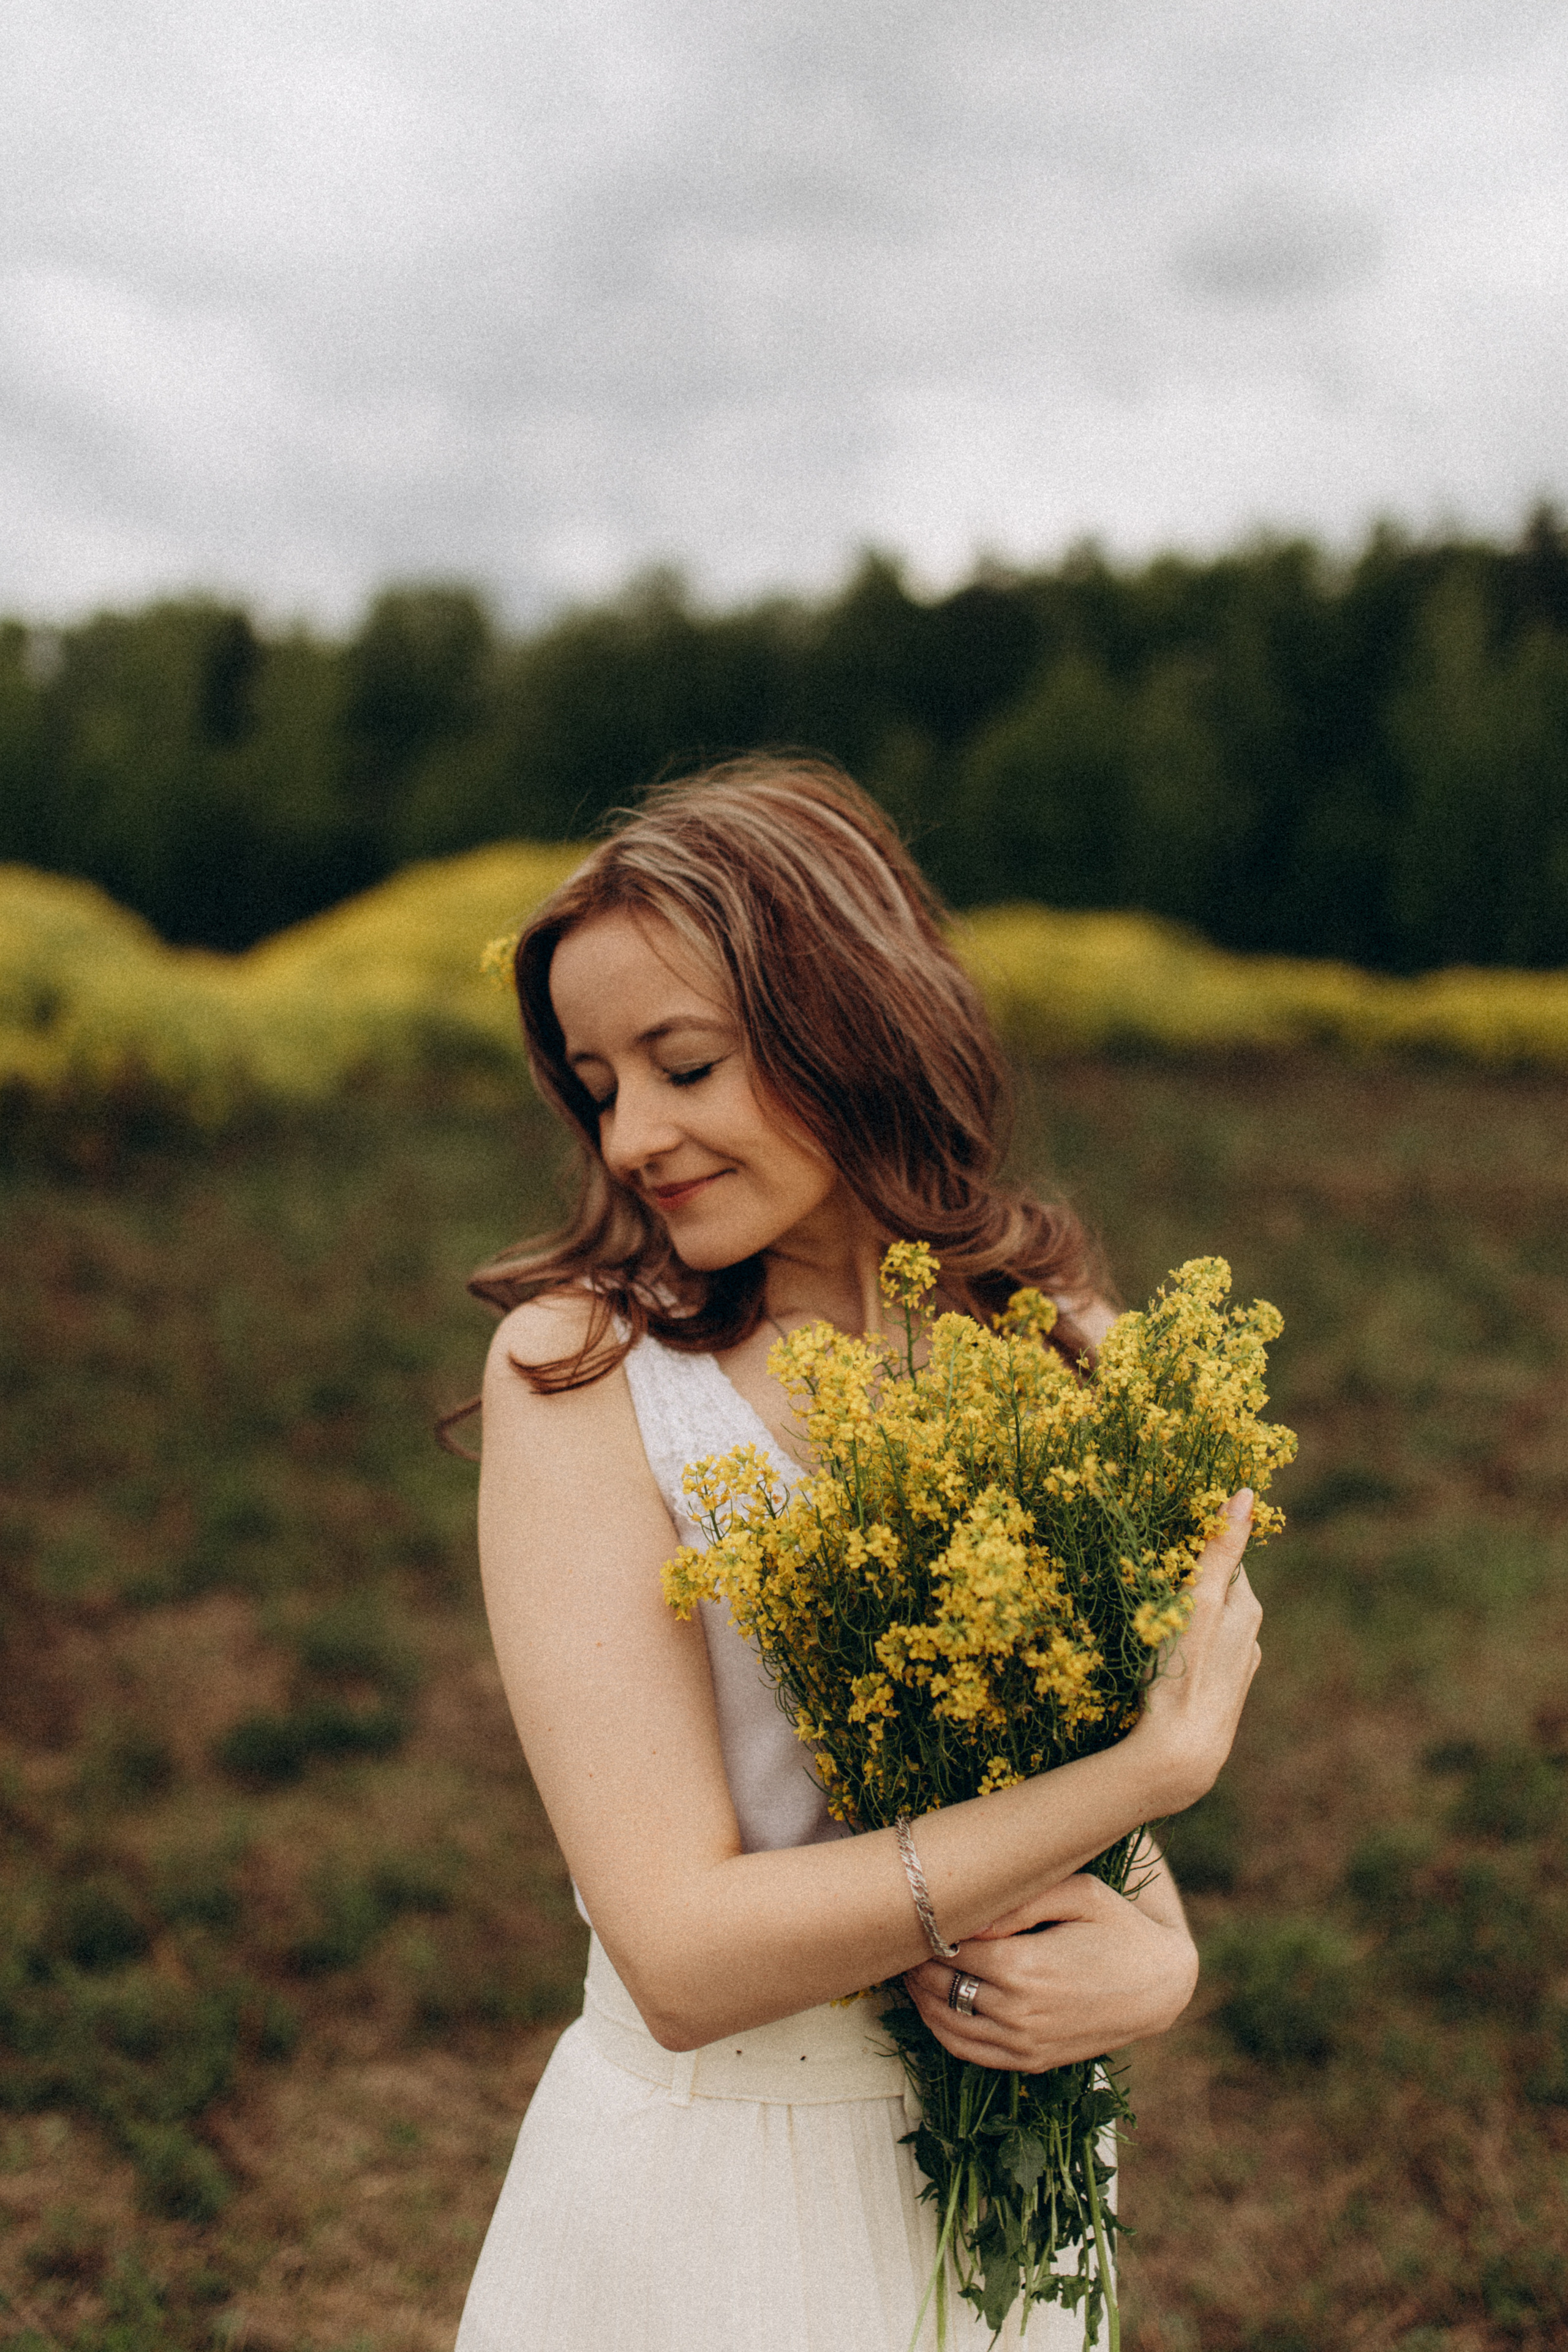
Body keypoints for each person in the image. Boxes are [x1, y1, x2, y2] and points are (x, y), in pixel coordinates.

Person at [453, 756, 1262, 2352]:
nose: (631, 1138)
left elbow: (1057, 1776)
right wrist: (1139, 1784)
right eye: (600, 1083)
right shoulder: (584, 1372)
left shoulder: (1068, 1351)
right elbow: (678, 1954)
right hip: (711, 2184)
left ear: (849, 1023)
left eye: (682, 1065)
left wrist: (1158, 1966)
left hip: (1007, 2198)